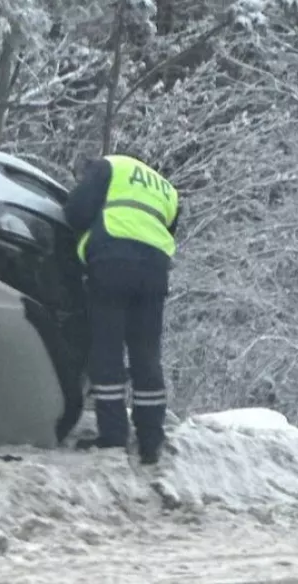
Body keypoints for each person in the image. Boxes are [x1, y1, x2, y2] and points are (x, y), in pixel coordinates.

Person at [63, 153, 181, 465]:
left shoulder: (106, 166)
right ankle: (150, 440)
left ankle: (113, 437)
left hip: (112, 262)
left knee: (108, 351)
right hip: (154, 272)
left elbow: (76, 213)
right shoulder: (166, 188)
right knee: (146, 355)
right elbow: (170, 228)